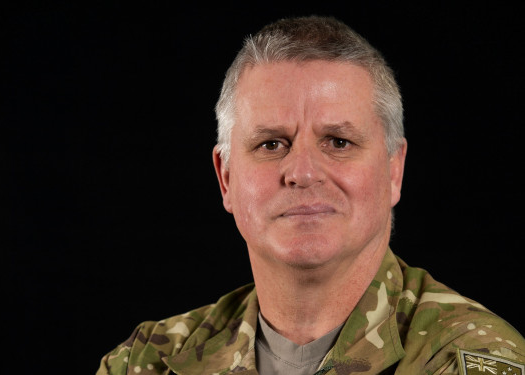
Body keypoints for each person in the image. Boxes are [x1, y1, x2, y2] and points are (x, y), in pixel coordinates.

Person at [96, 15, 525, 375]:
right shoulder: (149, 359)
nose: (301, 172)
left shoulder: (465, 356)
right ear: (226, 178)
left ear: (394, 170)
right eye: (271, 144)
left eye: (338, 142)